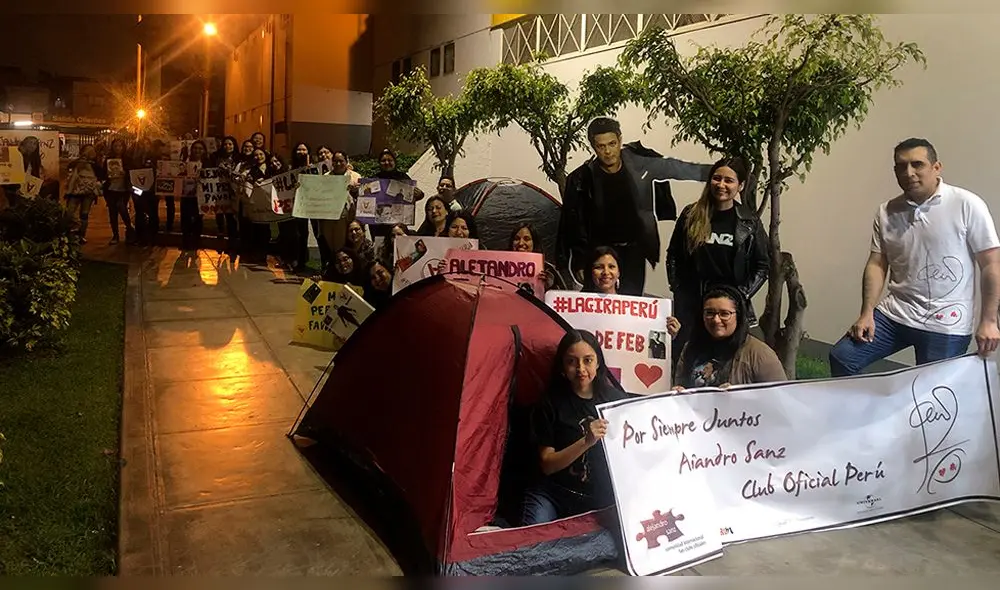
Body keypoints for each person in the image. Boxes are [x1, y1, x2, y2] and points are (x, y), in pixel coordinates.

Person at [829, 138, 1000, 376]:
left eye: (917, 164)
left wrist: (989, 321)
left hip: (947, 323)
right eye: (901, 166)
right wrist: (867, 312)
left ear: (936, 167)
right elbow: (877, 263)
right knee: (843, 357)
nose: (908, 173)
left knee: (931, 392)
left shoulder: (966, 204)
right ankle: (866, 414)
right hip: (896, 313)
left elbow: (991, 264)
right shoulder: (886, 211)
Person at [558, 117, 712, 295]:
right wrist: (578, 261)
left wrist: (714, 172)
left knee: (632, 303)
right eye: (601, 146)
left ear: (620, 140)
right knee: (598, 304)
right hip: (599, 252)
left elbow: (675, 168)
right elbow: (571, 224)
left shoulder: (639, 163)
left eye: (612, 143)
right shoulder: (580, 179)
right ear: (593, 146)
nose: (608, 151)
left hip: (633, 251)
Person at [666, 156, 769, 366]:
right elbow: (673, 255)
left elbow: (762, 265)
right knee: (686, 360)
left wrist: (740, 295)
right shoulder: (691, 215)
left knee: (727, 363)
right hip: (692, 304)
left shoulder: (749, 222)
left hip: (728, 307)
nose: (721, 185)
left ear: (740, 185)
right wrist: (678, 288)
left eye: (729, 180)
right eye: (717, 178)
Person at [521, 330, 627, 525]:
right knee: (534, 545)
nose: (581, 369)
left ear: (598, 362)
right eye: (571, 361)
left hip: (598, 498)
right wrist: (586, 441)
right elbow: (547, 464)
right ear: (562, 365)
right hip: (552, 494)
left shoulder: (616, 401)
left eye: (588, 360)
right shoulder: (549, 404)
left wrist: (675, 400)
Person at [672, 286, 786, 390]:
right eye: (709, 313)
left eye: (724, 314)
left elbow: (780, 400)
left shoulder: (759, 354)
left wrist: (738, 397)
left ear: (738, 316)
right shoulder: (691, 348)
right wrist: (678, 394)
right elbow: (680, 383)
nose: (716, 319)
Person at [582, 246, 681, 339]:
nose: (606, 272)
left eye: (611, 267)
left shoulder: (635, 310)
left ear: (618, 273)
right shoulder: (577, 308)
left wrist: (669, 335)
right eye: (599, 267)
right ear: (590, 272)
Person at [64, 144, 103, 244]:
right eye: (87, 151)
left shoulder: (95, 164)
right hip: (75, 191)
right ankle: (70, 232)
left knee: (84, 213)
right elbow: (69, 168)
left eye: (91, 151)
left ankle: (81, 235)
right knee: (69, 212)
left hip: (88, 192)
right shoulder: (77, 162)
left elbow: (101, 175)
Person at [509, 223, 563, 291]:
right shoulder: (499, 266)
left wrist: (549, 285)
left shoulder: (547, 269)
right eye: (517, 239)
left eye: (526, 239)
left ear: (534, 242)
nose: (521, 243)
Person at [102, 137, 136, 245]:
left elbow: (133, 171)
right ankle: (115, 235)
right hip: (111, 188)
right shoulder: (108, 159)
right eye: (116, 146)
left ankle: (129, 228)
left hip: (123, 188)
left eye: (120, 146)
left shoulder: (127, 159)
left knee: (122, 207)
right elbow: (103, 173)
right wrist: (107, 174)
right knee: (113, 212)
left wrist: (126, 173)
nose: (118, 148)